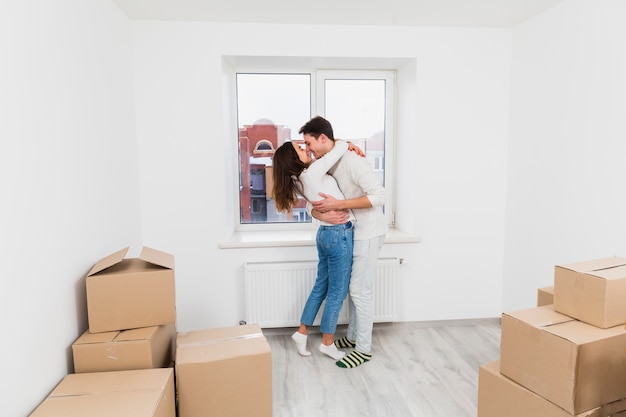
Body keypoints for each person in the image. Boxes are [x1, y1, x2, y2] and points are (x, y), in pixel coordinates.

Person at [300, 116, 387, 369]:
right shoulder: (325, 163)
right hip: (351, 233)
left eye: (308, 143)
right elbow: (311, 202)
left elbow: (379, 196)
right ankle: (351, 338)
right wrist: (319, 212)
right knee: (352, 289)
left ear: (323, 138)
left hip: (369, 232)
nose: (307, 150)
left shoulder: (352, 160)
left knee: (360, 291)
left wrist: (339, 204)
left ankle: (363, 349)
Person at [272, 138, 357, 360]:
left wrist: (304, 148)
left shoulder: (299, 179)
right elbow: (336, 150)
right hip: (338, 234)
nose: (306, 149)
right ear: (293, 158)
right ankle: (327, 343)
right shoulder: (311, 173)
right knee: (337, 290)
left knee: (321, 287)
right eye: (301, 148)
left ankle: (302, 332)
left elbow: (311, 206)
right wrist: (344, 141)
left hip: (325, 234)